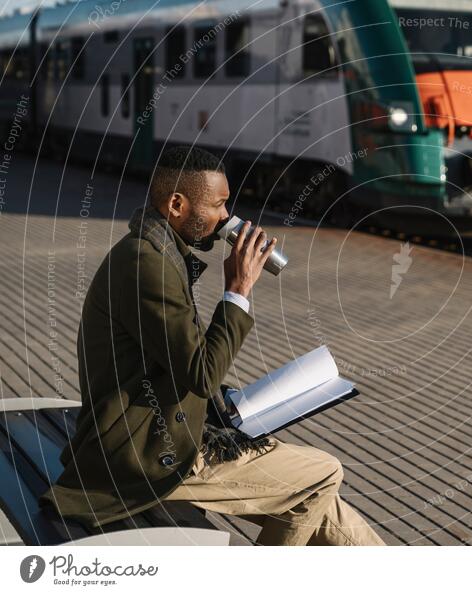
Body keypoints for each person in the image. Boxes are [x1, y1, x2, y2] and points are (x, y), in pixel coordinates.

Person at [39, 145, 385, 546]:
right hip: (147, 456)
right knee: (324, 472)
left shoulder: (152, 252)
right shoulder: (145, 266)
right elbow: (201, 374)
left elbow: (180, 363)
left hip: (165, 431)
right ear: (176, 204)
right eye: (218, 205)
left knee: (326, 506)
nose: (226, 217)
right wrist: (237, 291)